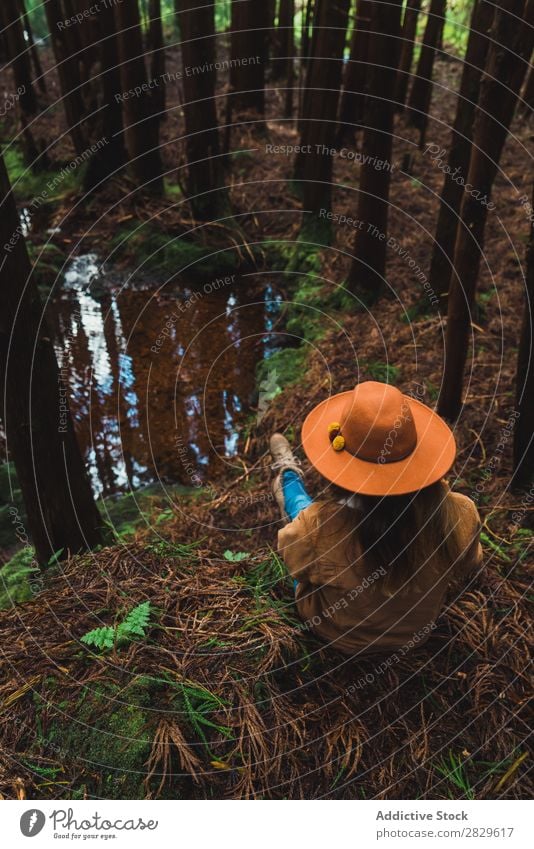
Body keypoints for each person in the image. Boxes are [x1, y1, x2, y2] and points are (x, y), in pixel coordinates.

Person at [270, 380, 482, 656]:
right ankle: (287, 477)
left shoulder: (318, 529)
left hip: (336, 632)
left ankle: (287, 474)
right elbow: (469, 565)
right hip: (415, 635)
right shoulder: (460, 515)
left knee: (300, 507)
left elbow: (293, 559)